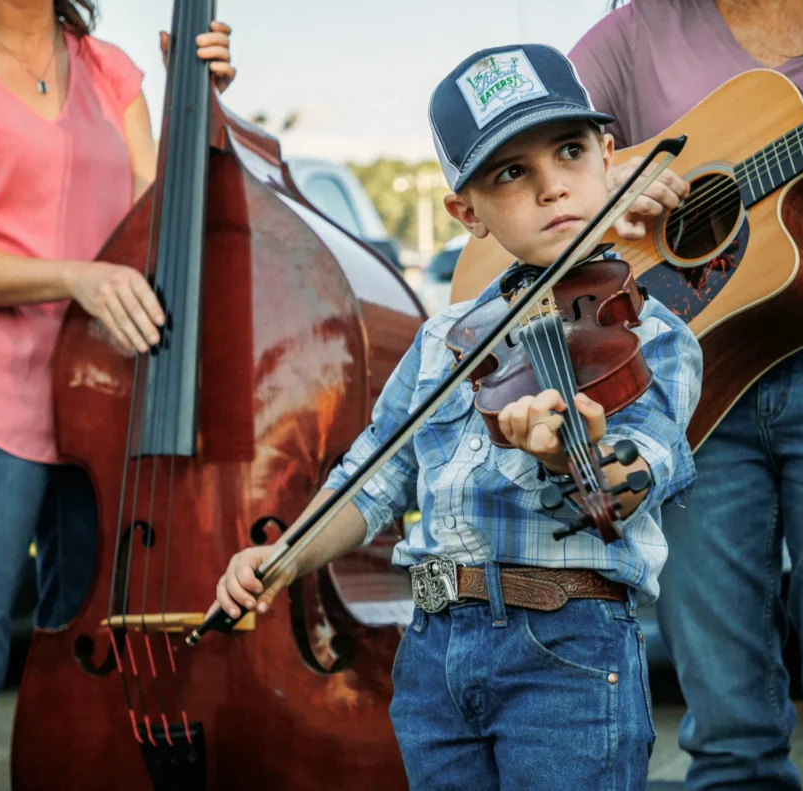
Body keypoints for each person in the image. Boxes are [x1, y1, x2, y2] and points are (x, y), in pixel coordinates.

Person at [211, 43, 702, 791]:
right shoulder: (447, 340)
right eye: (512, 172)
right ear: (465, 211)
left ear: (609, 157)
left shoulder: (653, 335)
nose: (551, 189)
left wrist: (567, 451)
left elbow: (639, 472)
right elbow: (373, 475)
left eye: (570, 152)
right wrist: (285, 553)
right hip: (436, 648)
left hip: (566, 651)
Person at [564, 1, 803, 789]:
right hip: (686, 356)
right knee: (728, 733)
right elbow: (520, 181)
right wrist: (606, 185)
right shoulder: (633, 33)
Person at [0, 1, 235, 787]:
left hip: (101, 408)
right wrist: (76, 277)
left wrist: (202, 104)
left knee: (90, 655)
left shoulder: (111, 70)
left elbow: (163, 220)